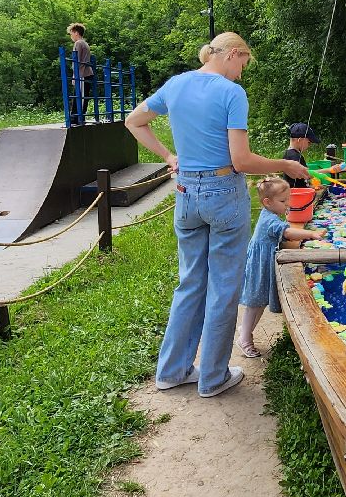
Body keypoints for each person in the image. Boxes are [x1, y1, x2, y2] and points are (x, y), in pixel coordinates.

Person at [125, 32, 309, 397]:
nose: (241, 73)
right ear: (233, 54)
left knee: (190, 282)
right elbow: (241, 161)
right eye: (243, 65)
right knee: (224, 286)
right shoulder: (231, 93)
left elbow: (134, 121)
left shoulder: (175, 85)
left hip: (186, 194)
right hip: (223, 194)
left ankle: (172, 371)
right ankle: (213, 377)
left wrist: (168, 156)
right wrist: (284, 164)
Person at [236, 176, 323, 358]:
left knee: (258, 303)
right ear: (267, 202)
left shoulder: (269, 214)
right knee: (254, 303)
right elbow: (287, 232)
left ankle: (245, 330)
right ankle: (244, 339)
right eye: (283, 201)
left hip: (262, 262)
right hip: (259, 265)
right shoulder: (270, 220)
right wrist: (310, 234)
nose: (288, 204)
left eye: (288, 200)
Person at [68, 23, 94, 124]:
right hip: (85, 73)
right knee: (81, 96)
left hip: (82, 73)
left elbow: (77, 61)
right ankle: (77, 117)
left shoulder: (78, 43)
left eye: (71, 33)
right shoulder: (84, 43)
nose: (71, 36)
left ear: (76, 33)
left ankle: (77, 118)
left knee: (80, 96)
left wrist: (75, 76)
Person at [284, 122, 318, 188]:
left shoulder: (289, 153)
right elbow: (308, 174)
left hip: (297, 190)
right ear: (299, 140)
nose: (309, 145)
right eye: (309, 142)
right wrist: (329, 170)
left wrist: (311, 186)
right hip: (298, 192)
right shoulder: (294, 156)